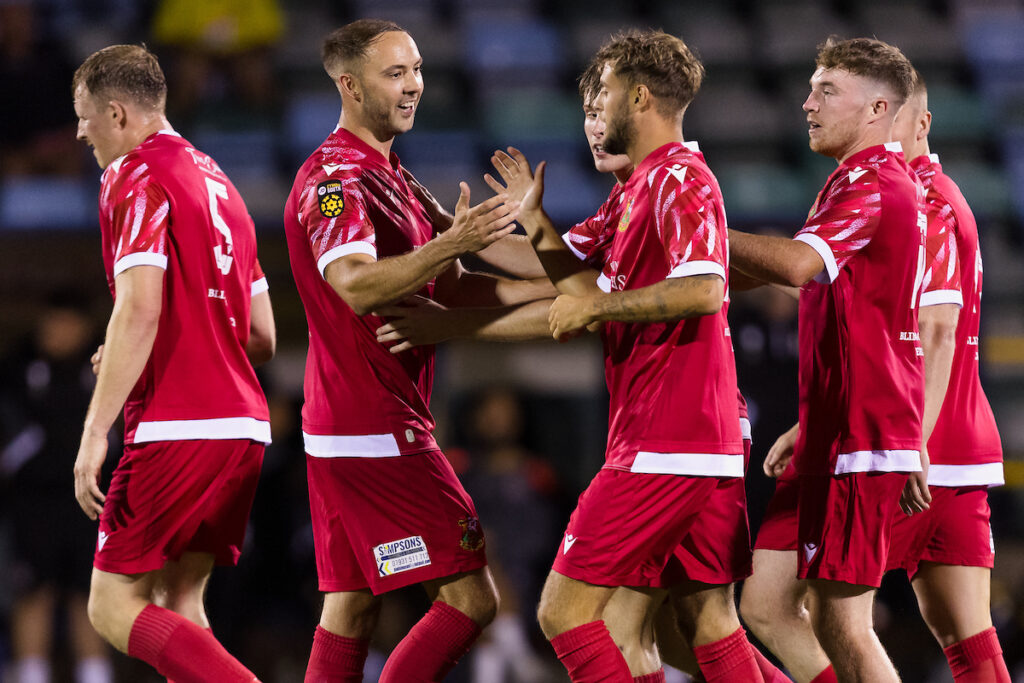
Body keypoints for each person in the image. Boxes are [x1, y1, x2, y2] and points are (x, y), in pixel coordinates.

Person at [283, 19, 556, 683]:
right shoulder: (335, 176)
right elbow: (352, 282)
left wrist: (563, 274)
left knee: (348, 610)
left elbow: (458, 283)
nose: (414, 87)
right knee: (473, 597)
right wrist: (447, 246)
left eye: (417, 70)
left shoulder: (393, 175)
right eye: (395, 73)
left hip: (351, 425)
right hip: (374, 425)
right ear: (349, 85)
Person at [71, 44, 275, 683]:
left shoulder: (132, 174)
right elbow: (262, 335)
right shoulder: (221, 185)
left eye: (84, 117)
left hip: (177, 427)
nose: (80, 133)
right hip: (242, 427)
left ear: (117, 112)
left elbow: (139, 309)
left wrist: (92, 430)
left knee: (111, 607)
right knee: (178, 603)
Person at [728, 37, 924, 683]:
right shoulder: (847, 182)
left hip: (864, 438)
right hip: (830, 432)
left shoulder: (874, 185)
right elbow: (800, 282)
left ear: (875, 109)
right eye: (811, 88)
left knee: (845, 624)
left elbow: (794, 264)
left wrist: (701, 220)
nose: (806, 103)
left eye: (826, 91)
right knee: (763, 602)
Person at [883, 72, 1011, 682]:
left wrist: (911, 445)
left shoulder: (922, 202)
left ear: (922, 125)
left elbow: (934, 332)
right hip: (963, 443)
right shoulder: (938, 194)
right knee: (966, 633)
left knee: (787, 604)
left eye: (891, 117)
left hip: (919, 445)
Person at [0, 292, 114, 683]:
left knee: (90, 594)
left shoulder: (107, 365)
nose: (56, 332)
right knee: (34, 592)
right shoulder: (19, 368)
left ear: (83, 327)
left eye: (65, 323)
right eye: (51, 322)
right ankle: (32, 675)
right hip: (33, 505)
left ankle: (95, 675)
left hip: (93, 504)